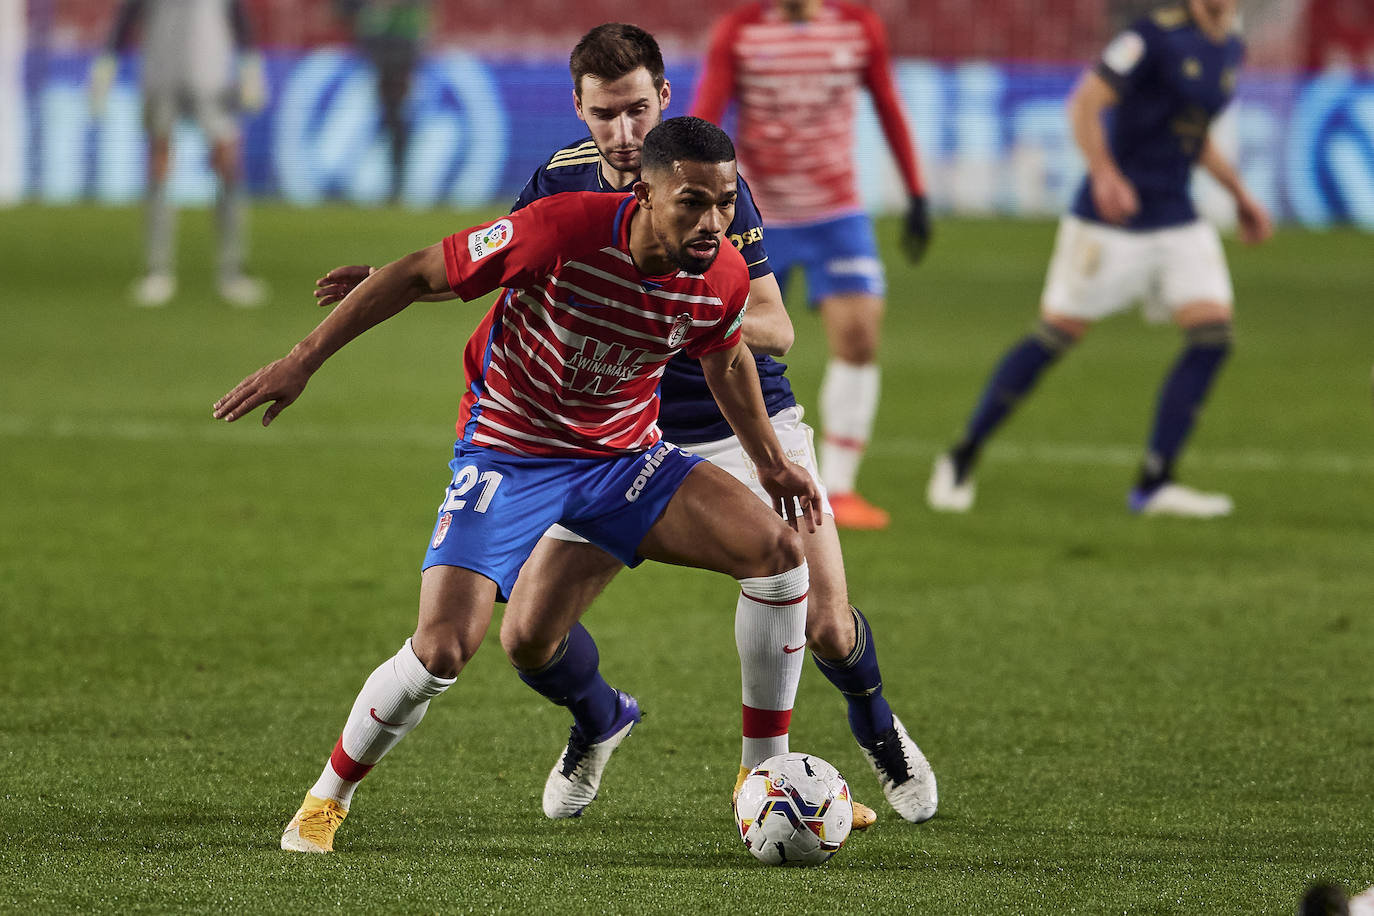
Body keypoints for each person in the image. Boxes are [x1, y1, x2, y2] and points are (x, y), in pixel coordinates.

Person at [315, 23, 939, 830]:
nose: (624, 134)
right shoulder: (561, 184)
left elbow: (776, 327)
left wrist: (669, 305)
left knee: (821, 618)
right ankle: (599, 721)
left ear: (664, 100)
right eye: (605, 115)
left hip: (741, 421)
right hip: (614, 438)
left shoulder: (705, 187)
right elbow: (507, 266)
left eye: (638, 111)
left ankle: (874, 733)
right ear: (579, 108)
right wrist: (401, 286)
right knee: (529, 639)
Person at [216, 117, 825, 854]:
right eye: (692, 202)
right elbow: (417, 272)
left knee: (779, 554)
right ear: (644, 193)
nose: (713, 222)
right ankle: (327, 798)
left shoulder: (722, 275)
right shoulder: (561, 230)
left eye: (725, 203)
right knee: (443, 648)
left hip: (623, 458)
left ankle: (760, 781)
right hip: (510, 451)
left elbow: (726, 362)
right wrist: (302, 360)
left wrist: (768, 460)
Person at [926, 0, 1273, 518]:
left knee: (1213, 336)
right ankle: (962, 454)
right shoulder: (1151, 38)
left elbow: (1193, 134)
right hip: (1110, 220)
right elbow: (1084, 104)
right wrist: (1105, 174)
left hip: (1177, 216)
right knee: (1057, 334)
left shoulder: (1229, 46)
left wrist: (1240, 195)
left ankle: (1155, 482)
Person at [691, 0, 933, 531]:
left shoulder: (858, 27)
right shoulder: (740, 31)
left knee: (860, 338)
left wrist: (916, 191)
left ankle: (842, 488)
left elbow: (888, 104)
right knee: (744, 340)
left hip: (836, 212)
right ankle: (734, 459)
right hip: (760, 215)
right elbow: (705, 117)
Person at [89, 0, 268, 308]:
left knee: (227, 163)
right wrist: (108, 62)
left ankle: (233, 269)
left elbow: (236, 13)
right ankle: (157, 270)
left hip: (212, 73)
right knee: (159, 163)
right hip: (162, 71)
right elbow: (129, 13)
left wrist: (250, 63)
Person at [335, 0, 426, 201]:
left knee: (394, 118)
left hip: (399, 49)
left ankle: (397, 182)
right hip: (377, 50)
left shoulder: (405, 26)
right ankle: (390, 182)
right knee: (387, 118)